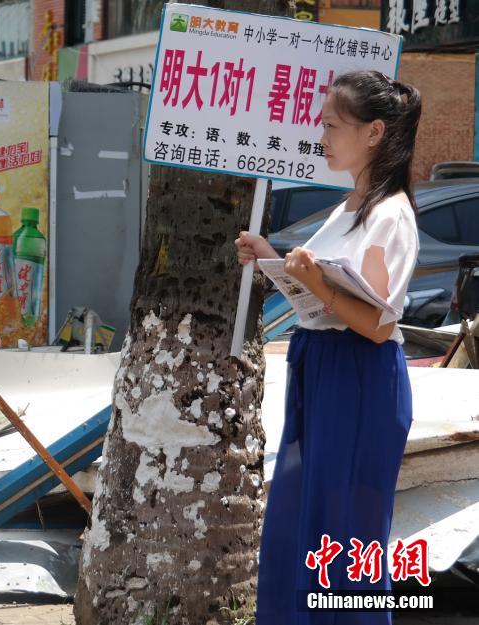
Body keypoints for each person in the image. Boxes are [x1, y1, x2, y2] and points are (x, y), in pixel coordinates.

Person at [235, 70, 422, 624]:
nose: (322, 137)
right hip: (319, 369)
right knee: (302, 519)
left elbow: (377, 324)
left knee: (346, 533)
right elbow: (316, 297)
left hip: (358, 377)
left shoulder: (392, 215)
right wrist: (272, 258)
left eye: (332, 126)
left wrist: (315, 283)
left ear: (374, 133)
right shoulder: (349, 208)